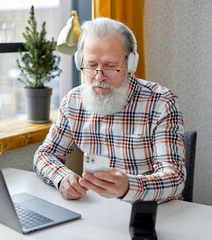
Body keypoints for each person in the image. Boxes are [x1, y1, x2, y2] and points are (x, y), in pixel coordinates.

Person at [33, 17, 185, 203]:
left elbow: (175, 177)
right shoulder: (73, 101)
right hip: (98, 211)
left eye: (110, 66)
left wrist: (128, 187)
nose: (99, 76)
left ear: (130, 64)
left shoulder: (161, 103)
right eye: (91, 65)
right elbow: (44, 154)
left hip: (151, 213)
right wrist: (62, 178)